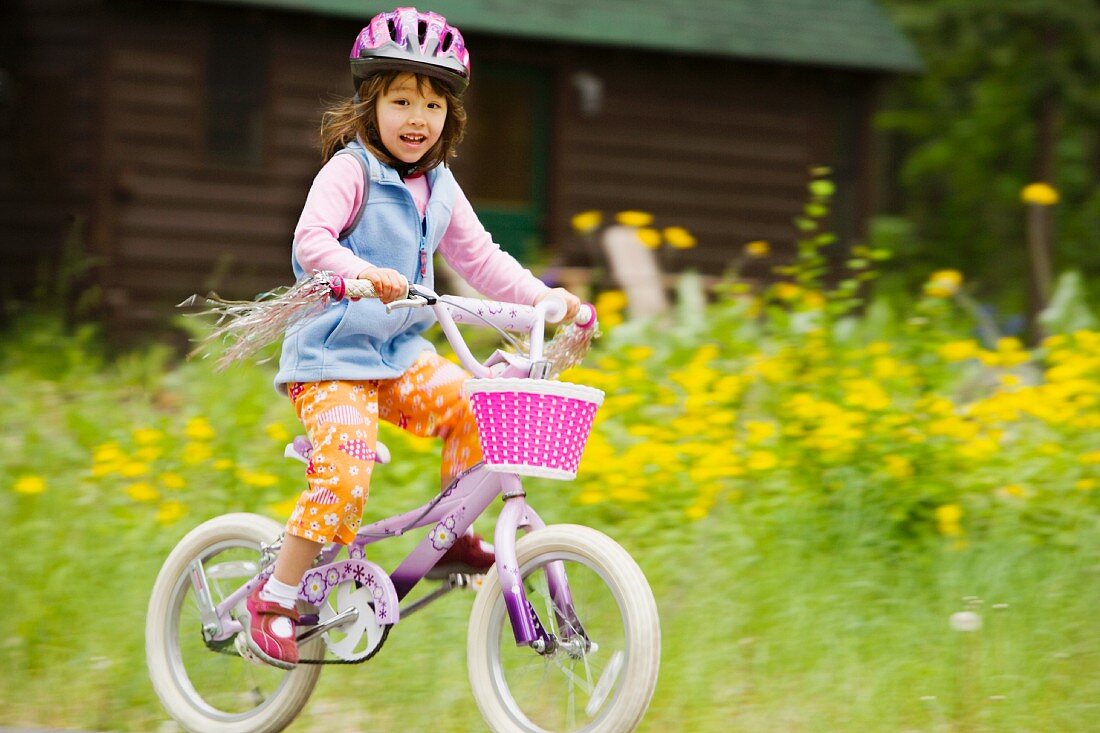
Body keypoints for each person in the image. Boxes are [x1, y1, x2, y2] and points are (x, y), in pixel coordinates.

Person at [239, 7, 581, 669]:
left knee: (481, 403)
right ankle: (275, 596)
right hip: (333, 358)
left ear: (451, 117)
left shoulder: (441, 186)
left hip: (396, 357)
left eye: (431, 104)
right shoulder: (351, 172)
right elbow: (311, 242)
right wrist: (361, 274)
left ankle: (453, 534)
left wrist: (541, 296)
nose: (416, 118)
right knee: (344, 468)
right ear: (371, 103)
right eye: (400, 100)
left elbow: (480, 259)